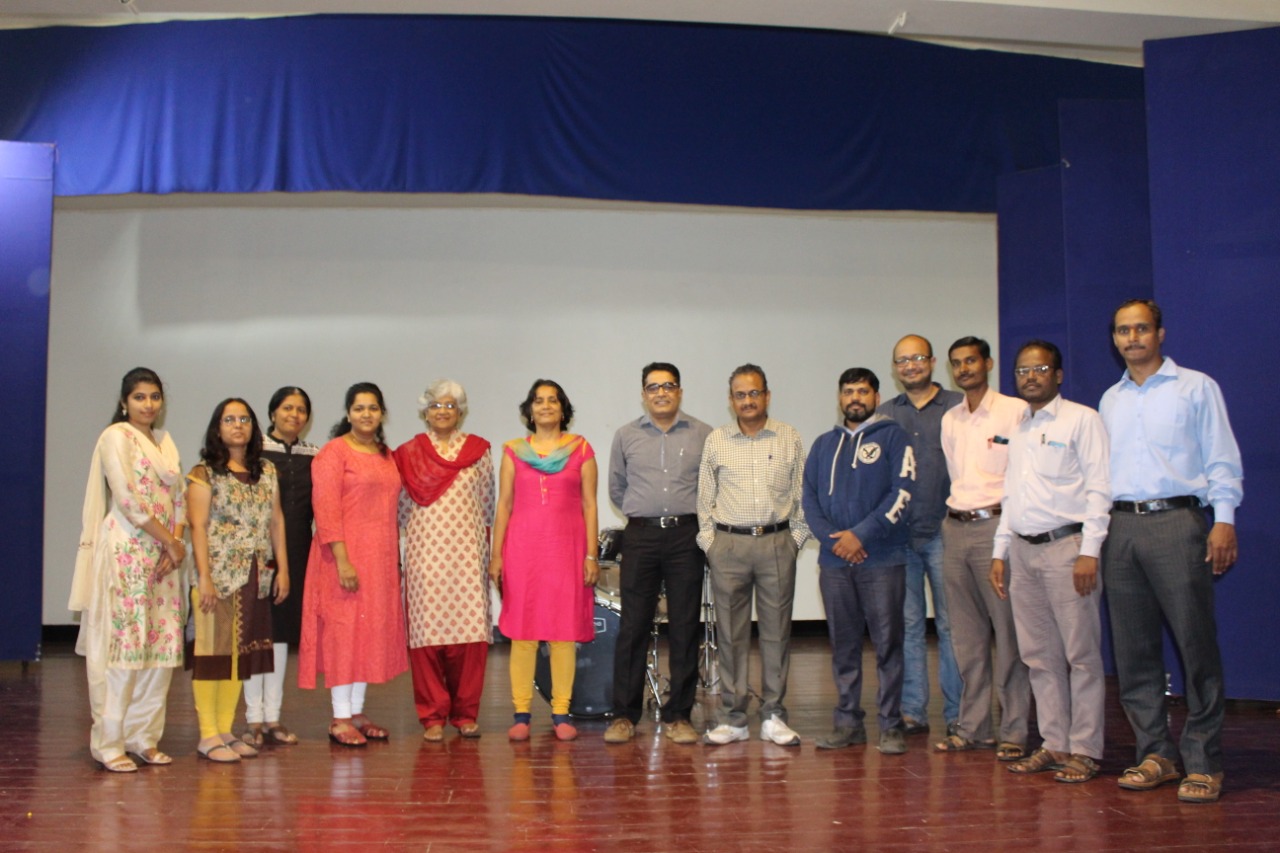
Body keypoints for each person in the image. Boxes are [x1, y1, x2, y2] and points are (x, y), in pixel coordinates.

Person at [1100, 299, 1243, 804]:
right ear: (1115, 339)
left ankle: (1203, 761)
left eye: (1141, 328)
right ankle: (1155, 754)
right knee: (1133, 650)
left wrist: (1223, 521)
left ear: (1160, 334)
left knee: (1195, 644)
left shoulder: (1196, 388)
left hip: (1178, 522)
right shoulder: (1110, 400)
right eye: (1123, 330)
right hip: (1120, 527)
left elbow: (1222, 460)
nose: (1132, 337)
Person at [990, 340, 1110, 784]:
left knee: (1081, 655)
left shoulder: (1083, 419)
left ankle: (1086, 749)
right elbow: (1011, 496)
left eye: (1040, 369)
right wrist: (1000, 552)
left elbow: (1100, 488)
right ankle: (1055, 742)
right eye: (1023, 370)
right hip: (1023, 551)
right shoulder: (1020, 426)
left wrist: (1089, 550)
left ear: (1058, 375)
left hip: (1067, 549)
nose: (1030, 377)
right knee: (1038, 655)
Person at [70, 367, 187, 772]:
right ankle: (109, 743)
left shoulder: (165, 443)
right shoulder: (115, 437)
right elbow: (127, 499)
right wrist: (170, 541)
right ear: (124, 402)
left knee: (159, 650)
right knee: (125, 648)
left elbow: (179, 499)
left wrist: (175, 543)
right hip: (128, 552)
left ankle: (144, 738)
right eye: (139, 397)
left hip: (166, 559)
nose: (148, 404)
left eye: (154, 396)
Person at [803, 368, 915, 754]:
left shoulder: (894, 438)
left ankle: (891, 725)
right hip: (835, 563)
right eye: (849, 391)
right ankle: (848, 723)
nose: (855, 398)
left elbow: (902, 493)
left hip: (882, 560)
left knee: (888, 645)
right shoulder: (823, 445)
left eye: (863, 391)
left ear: (876, 397)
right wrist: (836, 542)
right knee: (843, 646)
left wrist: (860, 535)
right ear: (840, 398)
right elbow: (809, 500)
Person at [697, 364, 810, 746]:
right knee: (731, 634)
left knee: (776, 633)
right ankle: (733, 718)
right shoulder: (717, 440)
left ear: (767, 396)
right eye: (740, 395)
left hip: (776, 543)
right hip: (728, 546)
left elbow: (802, 494)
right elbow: (704, 499)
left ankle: (774, 716)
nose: (748, 400)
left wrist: (794, 539)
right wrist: (711, 544)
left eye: (754, 393)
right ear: (731, 401)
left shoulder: (788, 437)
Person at [603, 363, 712, 745]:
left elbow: (710, 486)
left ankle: (679, 715)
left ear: (679, 391)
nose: (661, 393)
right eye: (653, 387)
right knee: (633, 627)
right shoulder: (625, 435)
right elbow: (617, 488)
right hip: (641, 537)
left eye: (668, 386)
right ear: (643, 394)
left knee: (684, 626)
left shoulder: (703, 434)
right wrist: (645, 516)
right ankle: (624, 715)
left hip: (686, 536)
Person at [934, 336, 1031, 760]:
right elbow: (956, 475)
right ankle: (973, 728)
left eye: (971, 361)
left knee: (1008, 634)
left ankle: (1014, 730)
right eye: (957, 363)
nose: (964, 369)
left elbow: (1022, 477)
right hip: (955, 527)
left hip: (997, 529)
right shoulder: (951, 419)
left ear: (988, 363)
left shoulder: (1014, 411)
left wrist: (1005, 537)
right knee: (966, 636)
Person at [488, 379, 599, 742]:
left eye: (553, 400)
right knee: (524, 634)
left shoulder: (581, 449)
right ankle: (521, 714)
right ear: (530, 410)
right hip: (523, 552)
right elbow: (504, 505)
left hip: (566, 551)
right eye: (539, 401)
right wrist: (496, 555)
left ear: (563, 409)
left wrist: (591, 554)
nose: (546, 406)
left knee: (562, 634)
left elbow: (590, 505)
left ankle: (561, 712)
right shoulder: (513, 452)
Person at [298, 382, 408, 746]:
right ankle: (340, 717)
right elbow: (326, 509)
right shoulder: (334, 453)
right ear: (348, 413)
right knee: (344, 635)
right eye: (359, 408)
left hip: (379, 561)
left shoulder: (385, 455)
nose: (366, 414)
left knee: (367, 634)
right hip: (341, 557)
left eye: (373, 408)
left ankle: (357, 711)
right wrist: (342, 560)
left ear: (382, 413)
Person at [186, 399, 289, 762]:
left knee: (238, 657)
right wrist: (204, 578)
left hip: (256, 576)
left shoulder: (266, 470)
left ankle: (226, 730)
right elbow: (197, 527)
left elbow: (276, 520)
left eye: (244, 419)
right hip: (217, 577)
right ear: (217, 428)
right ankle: (207, 734)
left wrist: (283, 569)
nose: (237, 425)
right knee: (213, 655)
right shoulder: (204, 473)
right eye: (229, 419)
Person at [394, 379, 495, 742]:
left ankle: (466, 714)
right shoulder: (408, 454)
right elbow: (400, 510)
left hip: (467, 555)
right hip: (425, 555)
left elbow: (487, 505)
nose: (443, 411)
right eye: (436, 405)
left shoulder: (479, 451)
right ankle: (432, 715)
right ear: (425, 412)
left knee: (469, 636)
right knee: (426, 635)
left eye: (450, 405)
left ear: (460, 411)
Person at [876, 335, 962, 736]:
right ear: (895, 368)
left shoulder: (958, 407)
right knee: (907, 626)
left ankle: (958, 713)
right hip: (899, 539)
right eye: (902, 360)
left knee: (951, 626)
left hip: (947, 532)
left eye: (917, 358)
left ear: (932, 361)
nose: (910, 365)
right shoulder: (884, 415)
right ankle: (912, 709)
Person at [242, 386, 317, 747]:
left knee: (282, 634)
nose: (294, 415)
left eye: (301, 410)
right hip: (258, 552)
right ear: (272, 413)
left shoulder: (314, 455)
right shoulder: (254, 452)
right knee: (256, 633)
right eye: (287, 408)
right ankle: (252, 719)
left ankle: (272, 717)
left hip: (298, 553)